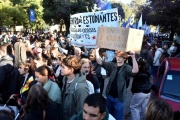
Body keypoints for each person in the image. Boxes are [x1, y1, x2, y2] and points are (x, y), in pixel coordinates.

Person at [95, 48, 139, 120]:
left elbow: (135, 71)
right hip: (109, 96)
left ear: (124, 58)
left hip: (119, 99)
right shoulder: (112, 65)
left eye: (120, 57)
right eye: (117, 56)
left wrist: (133, 57)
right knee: (108, 117)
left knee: (118, 118)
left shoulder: (126, 68)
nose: (118, 58)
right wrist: (97, 51)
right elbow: (100, 62)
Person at [61, 55, 89, 120]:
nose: (61, 69)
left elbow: (81, 113)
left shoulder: (81, 88)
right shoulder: (65, 79)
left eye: (63, 67)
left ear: (71, 70)